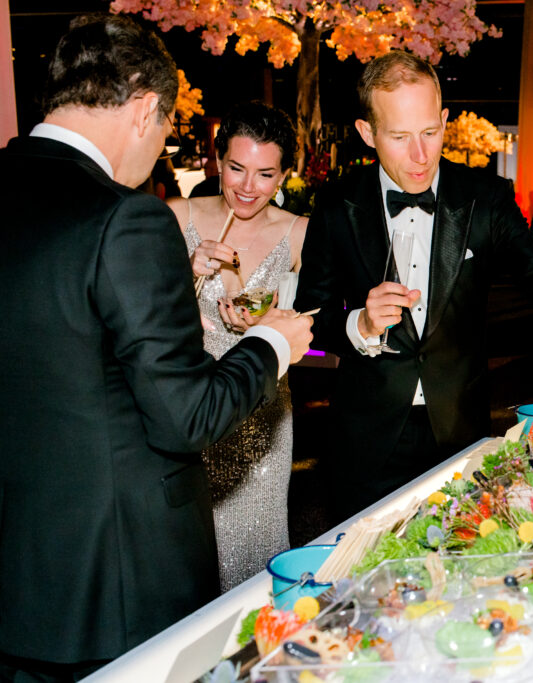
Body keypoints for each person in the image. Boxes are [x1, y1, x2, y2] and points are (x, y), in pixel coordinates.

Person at [0, 15, 313, 680]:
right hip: (113, 585)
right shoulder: (125, 216)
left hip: (19, 582)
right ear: (145, 109)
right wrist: (268, 343)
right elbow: (185, 415)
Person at [294, 51, 533, 520]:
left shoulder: (485, 197)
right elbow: (311, 317)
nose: (421, 155)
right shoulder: (338, 203)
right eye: (400, 137)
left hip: (460, 434)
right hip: (367, 440)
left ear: (445, 119)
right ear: (368, 133)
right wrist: (358, 325)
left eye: (430, 132)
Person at [166, 102, 308, 592]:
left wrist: (267, 324)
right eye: (236, 168)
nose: (248, 187)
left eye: (266, 173)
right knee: (181, 557)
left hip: (260, 422)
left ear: (285, 173)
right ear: (216, 161)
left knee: (253, 558)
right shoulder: (172, 216)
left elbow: (314, 333)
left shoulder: (299, 233)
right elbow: (133, 319)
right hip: (182, 412)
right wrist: (187, 272)